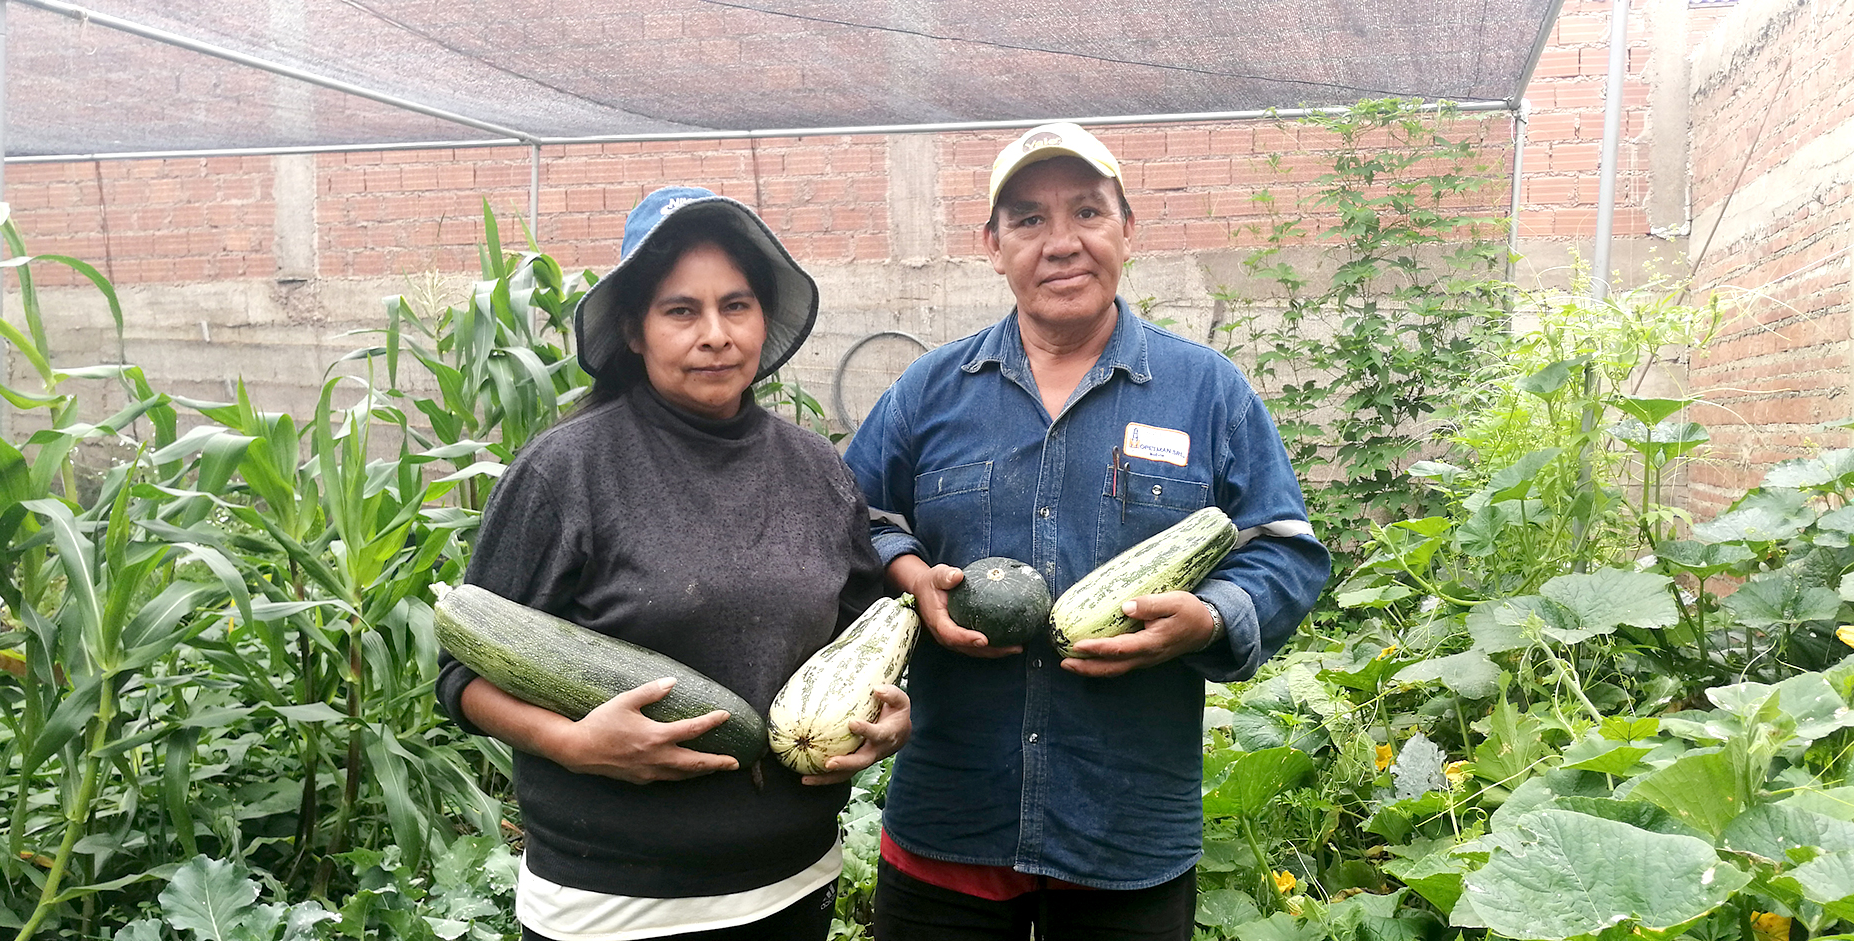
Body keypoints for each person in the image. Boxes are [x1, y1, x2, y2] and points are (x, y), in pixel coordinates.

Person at [842, 123, 1332, 939]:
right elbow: (856, 515)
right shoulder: (928, 390)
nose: (1060, 243)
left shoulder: (1206, 391)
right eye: (1029, 219)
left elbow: (1282, 546)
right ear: (992, 245)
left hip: (1123, 827)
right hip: (951, 817)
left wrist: (1207, 618)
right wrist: (908, 574)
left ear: (1127, 230)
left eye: (1087, 213)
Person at [435, 186, 907, 941]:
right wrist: (571, 744)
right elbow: (459, 674)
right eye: (681, 310)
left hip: (794, 882)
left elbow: (859, 634)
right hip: (614, 905)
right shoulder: (567, 470)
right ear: (634, 329)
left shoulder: (814, 467)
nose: (715, 334)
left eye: (737, 305)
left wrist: (884, 717)